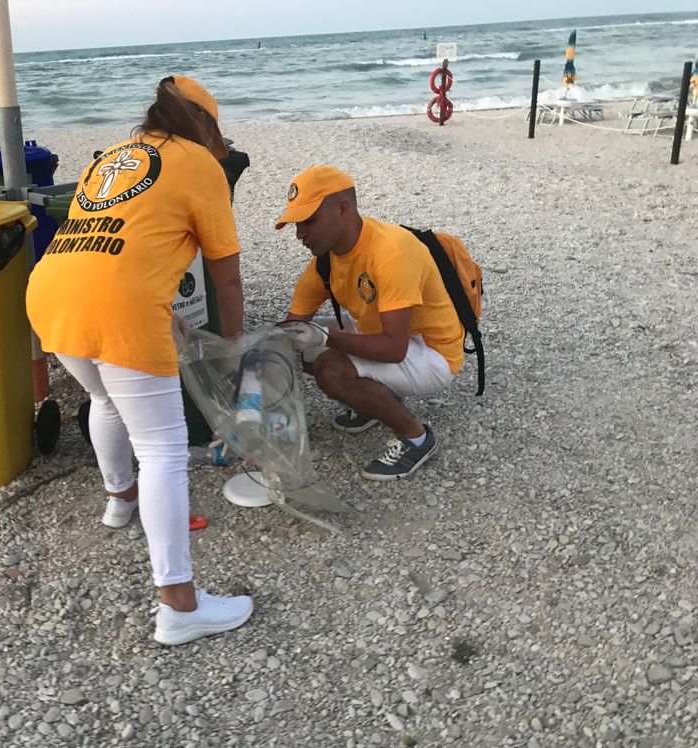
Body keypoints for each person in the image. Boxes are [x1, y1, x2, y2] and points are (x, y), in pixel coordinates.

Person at [26, 75, 252, 646]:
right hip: (118, 308)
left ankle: (119, 501)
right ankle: (179, 605)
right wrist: (232, 346)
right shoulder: (200, 163)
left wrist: (167, 317)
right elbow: (224, 271)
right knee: (165, 450)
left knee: (102, 399)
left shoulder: (115, 158)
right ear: (203, 126)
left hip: (50, 293)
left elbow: (117, 246)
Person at [276, 166, 465, 481]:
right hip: (383, 336)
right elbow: (291, 328)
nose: (300, 234)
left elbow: (394, 348)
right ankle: (370, 401)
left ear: (342, 208)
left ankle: (416, 438)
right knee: (296, 343)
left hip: (431, 353)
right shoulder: (326, 260)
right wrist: (253, 355)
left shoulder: (391, 253)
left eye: (309, 221)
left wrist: (325, 338)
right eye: (297, 224)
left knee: (329, 368)